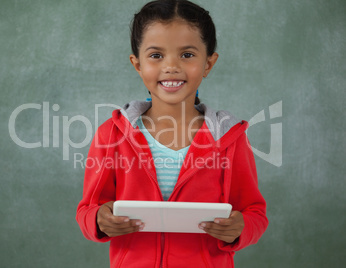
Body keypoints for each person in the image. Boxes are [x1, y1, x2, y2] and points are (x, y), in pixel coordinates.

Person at [76, 0, 268, 267]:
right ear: (137, 64)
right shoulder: (111, 135)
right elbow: (88, 209)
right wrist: (99, 220)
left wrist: (241, 228)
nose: (171, 66)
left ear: (209, 63)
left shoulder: (229, 137)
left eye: (187, 55)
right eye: (156, 55)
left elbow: (255, 213)